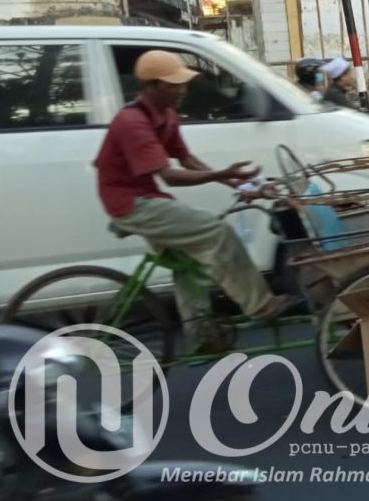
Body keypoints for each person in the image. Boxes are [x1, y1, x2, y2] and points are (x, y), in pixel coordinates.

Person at [94, 50, 299, 354]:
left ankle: (201, 339)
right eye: (173, 85)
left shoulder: (167, 116)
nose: (182, 90)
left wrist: (238, 183)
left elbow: (186, 159)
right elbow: (171, 177)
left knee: (188, 263)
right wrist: (222, 174)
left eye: (182, 84)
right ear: (150, 86)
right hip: (130, 202)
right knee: (217, 232)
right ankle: (259, 304)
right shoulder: (132, 122)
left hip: (148, 196)